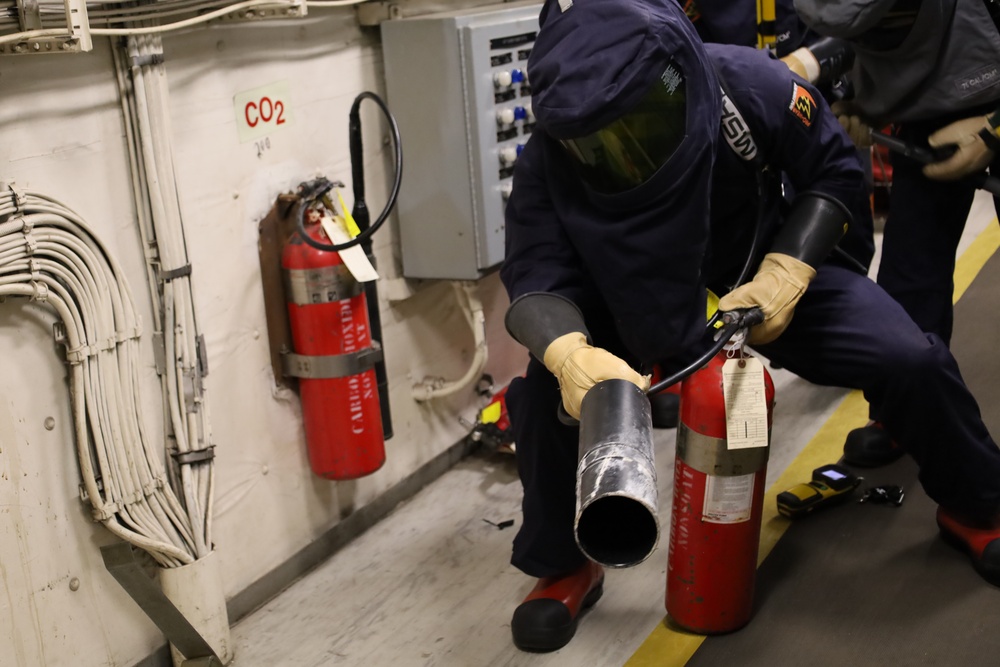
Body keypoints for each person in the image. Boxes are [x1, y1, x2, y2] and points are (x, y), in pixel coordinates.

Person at [500, 0, 1000, 653]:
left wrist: (789, 268)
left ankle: (977, 503)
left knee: (910, 355)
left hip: (760, 283)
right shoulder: (548, 159)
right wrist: (567, 354)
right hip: (628, 303)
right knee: (541, 398)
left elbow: (831, 170)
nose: (623, 149)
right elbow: (536, 269)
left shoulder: (747, 85)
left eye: (639, 123)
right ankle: (563, 562)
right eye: (600, 140)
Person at [793, 0, 1000, 466]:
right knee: (909, 281)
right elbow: (859, 41)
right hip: (928, 114)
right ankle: (907, 414)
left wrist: (992, 132)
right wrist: (861, 100)